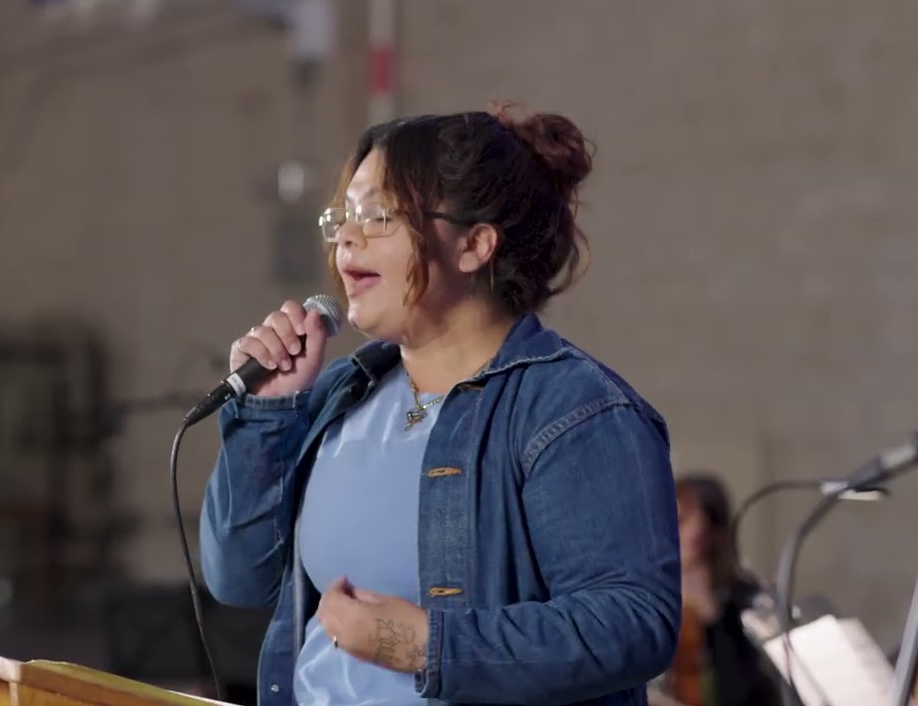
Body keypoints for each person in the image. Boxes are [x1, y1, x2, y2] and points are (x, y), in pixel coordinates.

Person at [199, 106, 682, 706]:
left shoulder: (574, 410)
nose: (347, 236)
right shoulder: (340, 398)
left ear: (474, 244)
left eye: (378, 215)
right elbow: (238, 578)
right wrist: (269, 415)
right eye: (344, 216)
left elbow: (632, 625)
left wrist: (424, 645)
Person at [651, 475, 780, 706]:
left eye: (681, 519)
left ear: (713, 530)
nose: (667, 529)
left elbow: (751, 691)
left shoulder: (749, 600)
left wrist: (712, 616)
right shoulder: (648, 595)